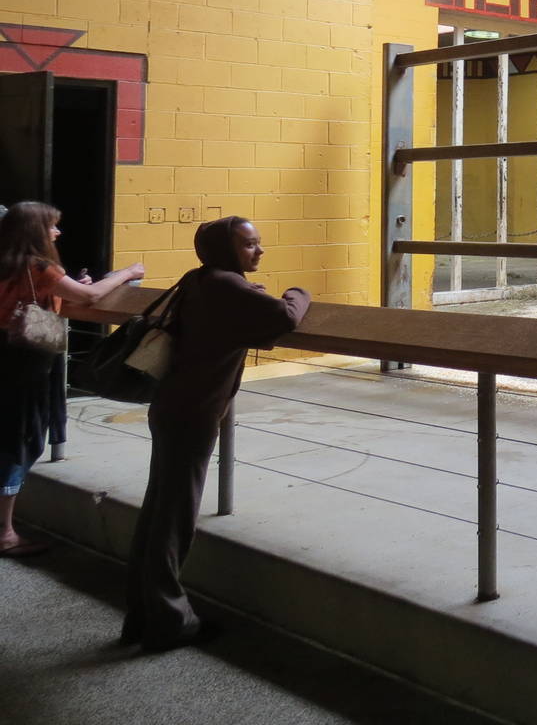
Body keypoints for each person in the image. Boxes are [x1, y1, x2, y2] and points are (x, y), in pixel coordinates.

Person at [122, 216, 308, 652]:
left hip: (173, 407)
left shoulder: (200, 278)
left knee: (158, 513)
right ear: (227, 251)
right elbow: (285, 316)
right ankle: (169, 621)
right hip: (193, 413)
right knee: (173, 519)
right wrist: (301, 292)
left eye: (258, 243)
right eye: (249, 245)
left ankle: (142, 617)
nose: (258, 251)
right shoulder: (229, 286)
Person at [0, 201, 144, 557]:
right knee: (21, 442)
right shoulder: (40, 266)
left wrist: (66, 288)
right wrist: (127, 273)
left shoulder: (8, 264)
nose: (57, 232)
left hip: (4, 358)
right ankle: (4, 533)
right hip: (26, 365)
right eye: (52, 226)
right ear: (35, 231)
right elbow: (92, 296)